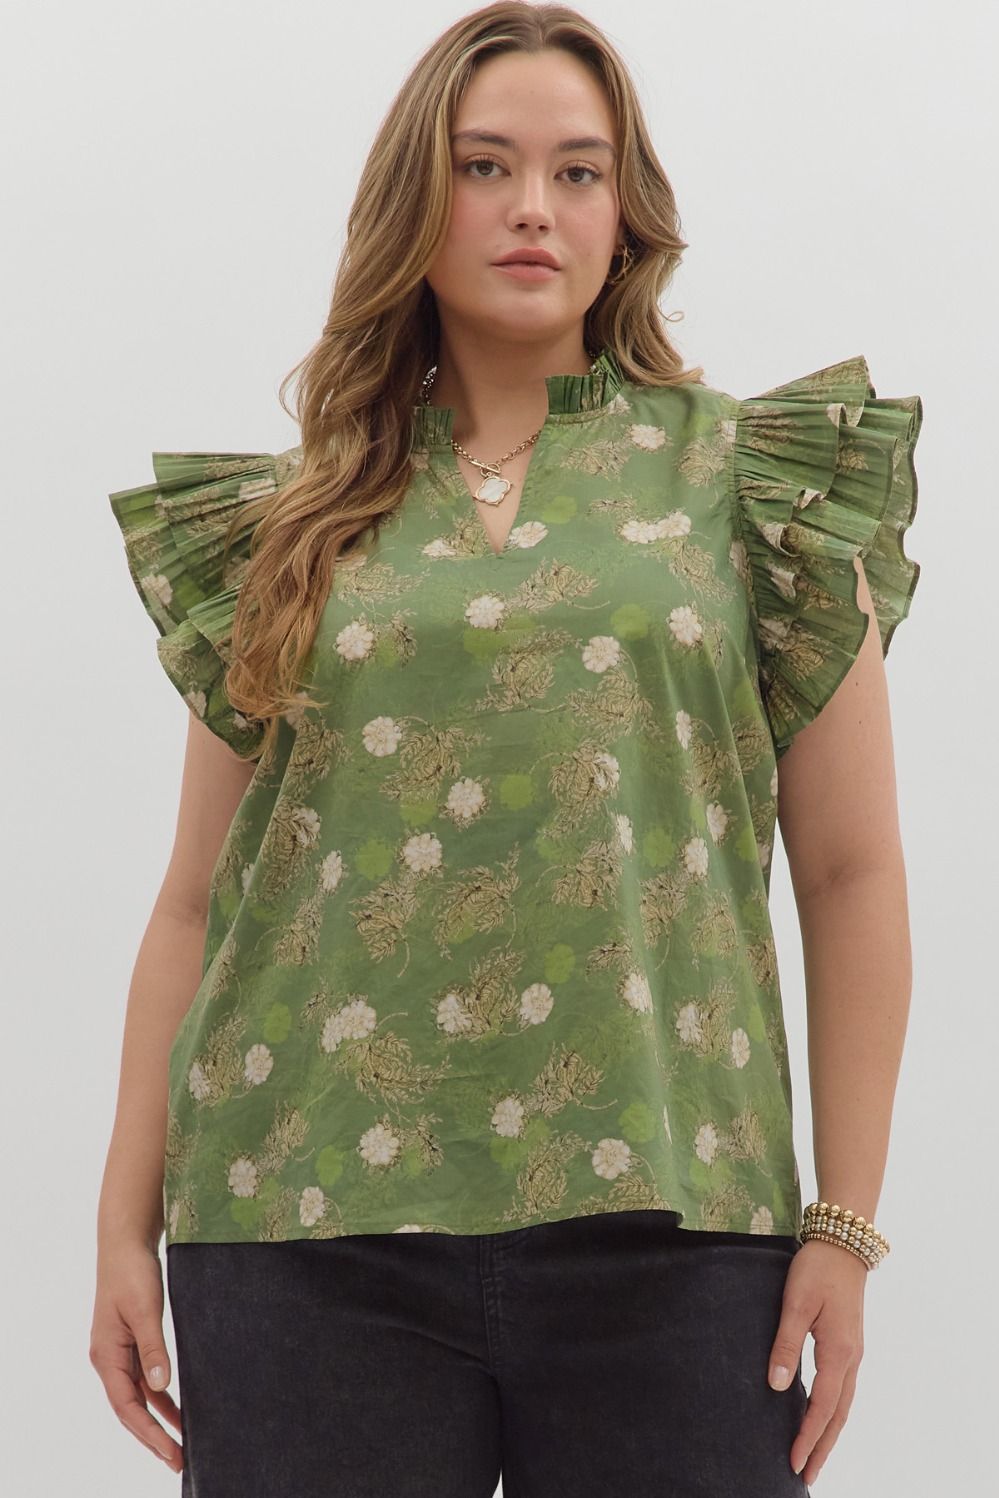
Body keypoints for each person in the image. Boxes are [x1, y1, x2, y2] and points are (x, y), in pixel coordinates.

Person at [90, 4, 921, 1494]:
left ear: (625, 213)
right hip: (303, 1227)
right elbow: (196, 900)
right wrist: (118, 1225)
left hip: (675, 1227)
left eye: (577, 172)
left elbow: (852, 872)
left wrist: (845, 1226)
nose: (534, 205)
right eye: (485, 166)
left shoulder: (756, 486)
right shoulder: (294, 524)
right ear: (417, 201)